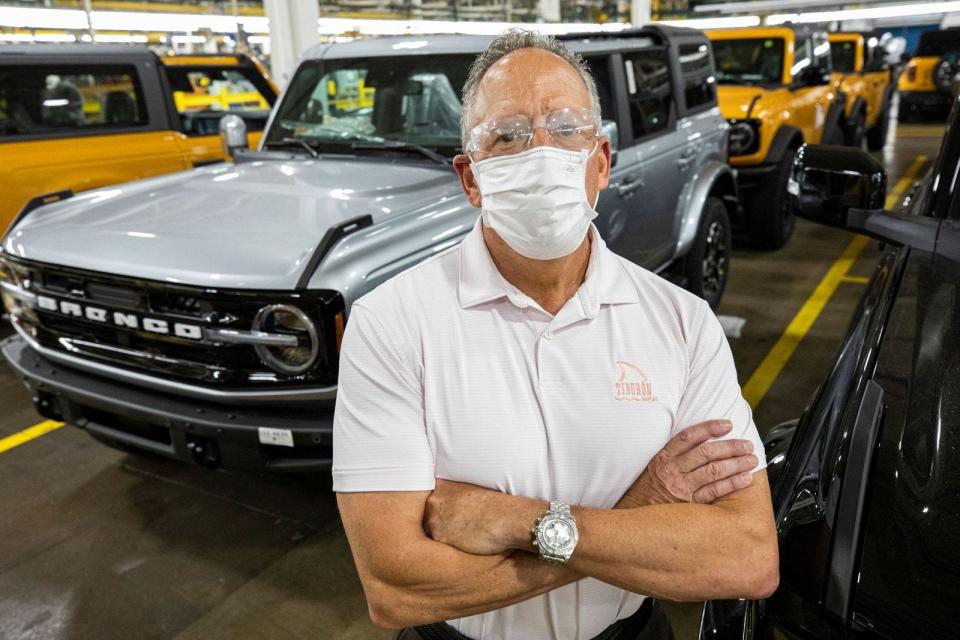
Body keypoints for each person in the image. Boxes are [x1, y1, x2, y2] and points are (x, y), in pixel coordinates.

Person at [333, 29, 779, 640]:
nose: (540, 153)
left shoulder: (681, 322)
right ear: (471, 178)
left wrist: (523, 521)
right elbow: (395, 589)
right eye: (508, 137)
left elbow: (747, 556)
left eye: (567, 129)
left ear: (600, 163)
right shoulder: (392, 324)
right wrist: (641, 512)